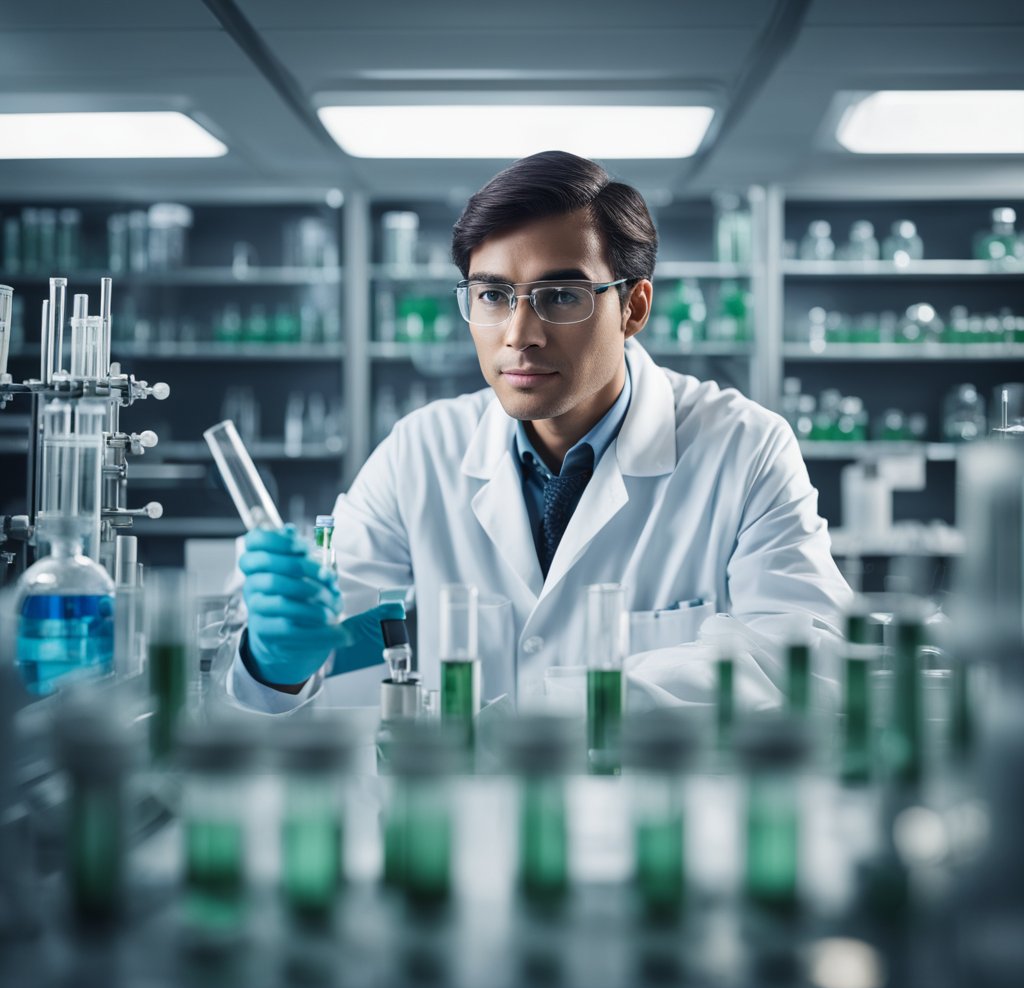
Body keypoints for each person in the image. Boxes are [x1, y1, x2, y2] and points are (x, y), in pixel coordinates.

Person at [230, 151, 850, 715]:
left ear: (633, 307)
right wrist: (278, 663)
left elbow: (802, 656)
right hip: (470, 817)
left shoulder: (745, 447)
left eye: (560, 296)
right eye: (494, 295)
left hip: (658, 819)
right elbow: (345, 642)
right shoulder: (419, 453)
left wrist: (572, 702)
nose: (520, 333)